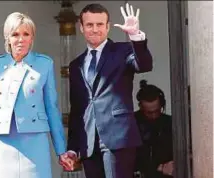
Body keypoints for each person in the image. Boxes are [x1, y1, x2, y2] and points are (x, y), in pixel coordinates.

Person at [65, 3, 153, 178]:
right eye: (90, 25)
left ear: (108, 26)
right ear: (81, 28)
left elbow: (144, 65)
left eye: (99, 24)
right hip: (89, 142)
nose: (95, 29)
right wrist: (73, 148)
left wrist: (135, 35)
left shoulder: (123, 50)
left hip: (118, 137)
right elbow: (77, 108)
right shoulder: (76, 65)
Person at [0, 12, 69, 178]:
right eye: (15, 34)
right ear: (7, 37)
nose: (21, 39)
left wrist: (61, 150)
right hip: (4, 141)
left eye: (26, 34)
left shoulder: (44, 63)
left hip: (36, 140)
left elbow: (52, 109)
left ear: (32, 37)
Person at [134, 80, 173, 178]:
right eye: (149, 112)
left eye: (157, 111)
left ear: (162, 105)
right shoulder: (131, 124)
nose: (153, 115)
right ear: (140, 107)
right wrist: (158, 168)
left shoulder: (170, 123)